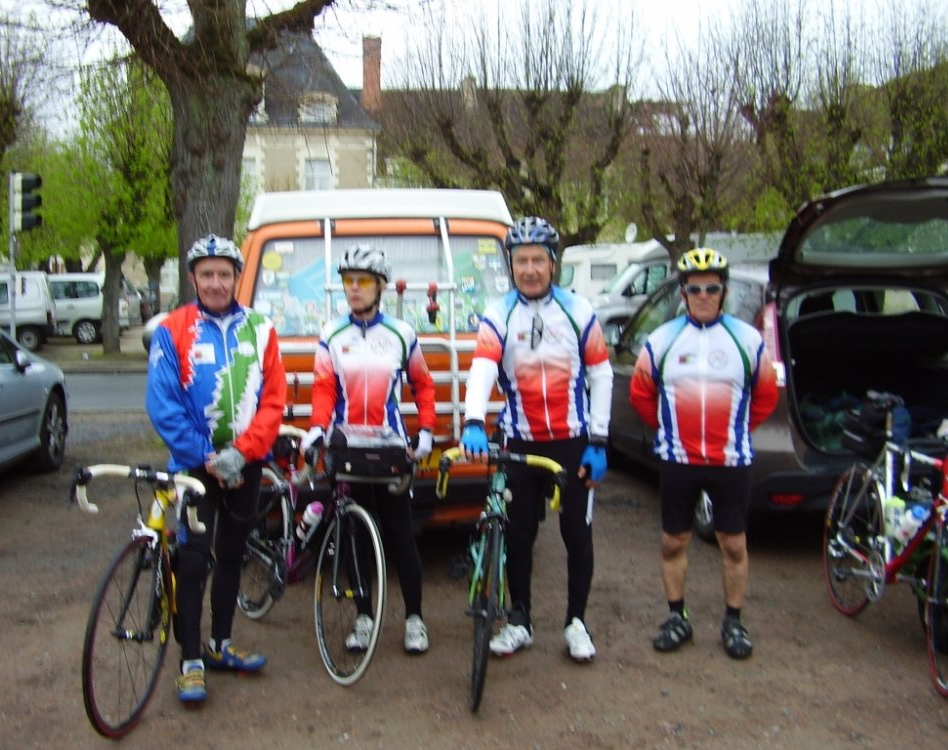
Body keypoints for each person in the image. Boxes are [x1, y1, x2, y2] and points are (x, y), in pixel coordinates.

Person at [461, 216, 613, 663]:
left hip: (573, 441)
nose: (529, 269)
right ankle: (520, 620)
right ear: (511, 266)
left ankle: (576, 623)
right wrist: (473, 420)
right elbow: (483, 366)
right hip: (520, 441)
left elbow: (602, 375)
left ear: (552, 264)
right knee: (519, 535)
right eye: (521, 261)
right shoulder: (498, 312)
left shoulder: (579, 310)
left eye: (538, 261)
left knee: (576, 533)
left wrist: (599, 440)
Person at [146, 233, 287, 703]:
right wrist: (208, 456)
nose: (215, 282)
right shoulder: (173, 329)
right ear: (193, 279)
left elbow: (274, 401)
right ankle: (190, 660)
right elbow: (163, 405)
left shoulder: (261, 329)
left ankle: (220, 644)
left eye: (224, 274)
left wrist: (243, 452)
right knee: (192, 561)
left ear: (236, 278)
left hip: (246, 464)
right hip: (194, 468)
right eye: (206, 274)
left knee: (231, 554)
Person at [629, 248, 778, 660]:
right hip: (679, 460)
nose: (704, 296)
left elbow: (766, 397)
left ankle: (733, 621)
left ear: (723, 291)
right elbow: (641, 395)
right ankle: (677, 617)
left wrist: (734, 430)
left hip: (731, 461)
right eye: (695, 289)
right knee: (672, 541)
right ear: (683, 293)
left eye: (712, 288)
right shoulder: (662, 340)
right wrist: (670, 429)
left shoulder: (747, 340)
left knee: (733, 544)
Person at [301, 244, 436, 654]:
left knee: (401, 535)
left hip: (390, 450)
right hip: (347, 449)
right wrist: (316, 428)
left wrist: (426, 431)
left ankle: (414, 619)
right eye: (348, 281)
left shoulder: (400, 333)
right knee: (354, 535)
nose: (354, 288)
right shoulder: (332, 333)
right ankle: (363, 617)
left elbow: (423, 384)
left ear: (380, 286)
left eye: (362, 281)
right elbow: (324, 388)